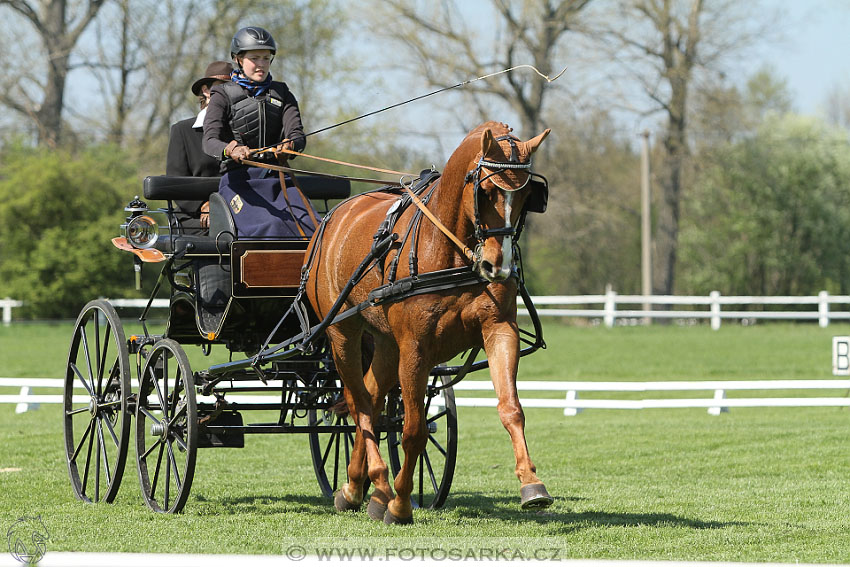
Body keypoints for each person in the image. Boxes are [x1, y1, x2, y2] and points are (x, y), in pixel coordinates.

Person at [202, 26, 317, 239]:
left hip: (279, 179)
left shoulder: (282, 93)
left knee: (313, 228)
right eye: (255, 58)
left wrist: (290, 145)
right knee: (271, 226)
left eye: (266, 58)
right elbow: (209, 140)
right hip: (239, 182)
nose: (261, 64)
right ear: (238, 59)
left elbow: (297, 134)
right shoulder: (222, 94)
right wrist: (231, 149)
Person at [166, 60, 233, 233]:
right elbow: (176, 181)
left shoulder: (242, 131)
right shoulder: (182, 131)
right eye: (223, 87)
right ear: (206, 91)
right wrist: (204, 206)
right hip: (194, 217)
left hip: (237, 212)